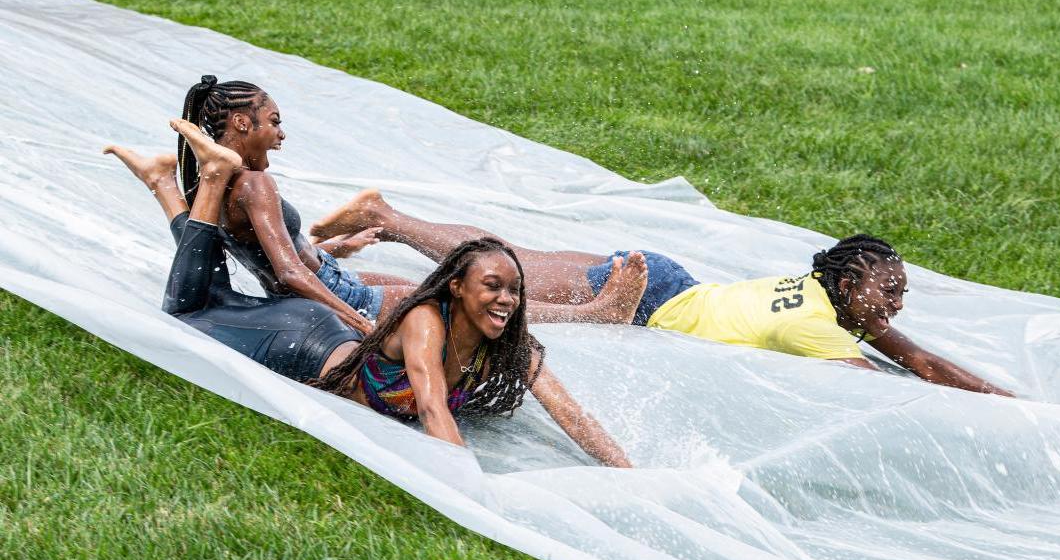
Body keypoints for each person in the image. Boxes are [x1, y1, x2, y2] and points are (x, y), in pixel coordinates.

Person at [134, 118, 633, 467]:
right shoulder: (425, 323)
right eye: (493, 287)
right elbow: (433, 407)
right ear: (456, 288)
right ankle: (211, 178)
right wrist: (471, 495)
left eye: (514, 291)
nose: (507, 300)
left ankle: (164, 183)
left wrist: (627, 473)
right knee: (189, 313)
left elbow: (571, 414)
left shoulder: (511, 342)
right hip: (301, 342)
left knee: (208, 299)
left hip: (322, 327)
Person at [310, 193, 1014, 396]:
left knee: (511, 265)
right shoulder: (821, 329)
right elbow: (901, 386)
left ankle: (351, 251)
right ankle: (378, 228)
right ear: (852, 284)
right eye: (888, 291)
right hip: (653, 300)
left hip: (669, 280)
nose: (896, 305)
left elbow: (918, 359)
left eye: (902, 293)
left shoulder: (830, 300)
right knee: (500, 277)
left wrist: (1009, 402)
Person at [167, 75, 647, 330]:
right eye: (273, 121)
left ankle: (585, 304)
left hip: (329, 277)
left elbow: (276, 260)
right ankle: (594, 313)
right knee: (466, 301)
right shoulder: (254, 185)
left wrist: (340, 249)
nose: (281, 133)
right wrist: (352, 316)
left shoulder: (215, 187)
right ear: (243, 124)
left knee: (444, 284)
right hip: (334, 293)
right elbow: (289, 273)